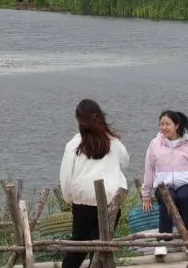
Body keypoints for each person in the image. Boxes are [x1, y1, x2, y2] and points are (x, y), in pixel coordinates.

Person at [59, 100, 129, 268]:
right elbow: (125, 162)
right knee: (101, 248)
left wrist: (69, 198)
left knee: (78, 247)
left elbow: (66, 176)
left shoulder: (74, 145)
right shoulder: (114, 143)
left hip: (83, 202)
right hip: (110, 202)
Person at [141, 111, 188, 258]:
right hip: (162, 185)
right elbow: (149, 169)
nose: (164, 127)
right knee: (168, 198)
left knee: (184, 198)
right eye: (161, 124)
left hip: (185, 183)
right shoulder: (155, 144)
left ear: (176, 125)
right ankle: (163, 241)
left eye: (167, 124)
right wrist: (146, 195)